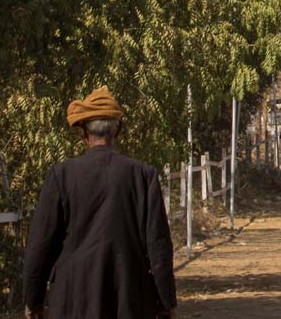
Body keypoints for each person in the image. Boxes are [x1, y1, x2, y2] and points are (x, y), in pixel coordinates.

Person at [23, 86, 176, 319]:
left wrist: (33, 300)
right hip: (130, 300)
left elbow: (40, 244)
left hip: (72, 301)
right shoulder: (143, 176)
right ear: (118, 131)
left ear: (83, 133)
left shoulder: (61, 175)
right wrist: (166, 303)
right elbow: (158, 247)